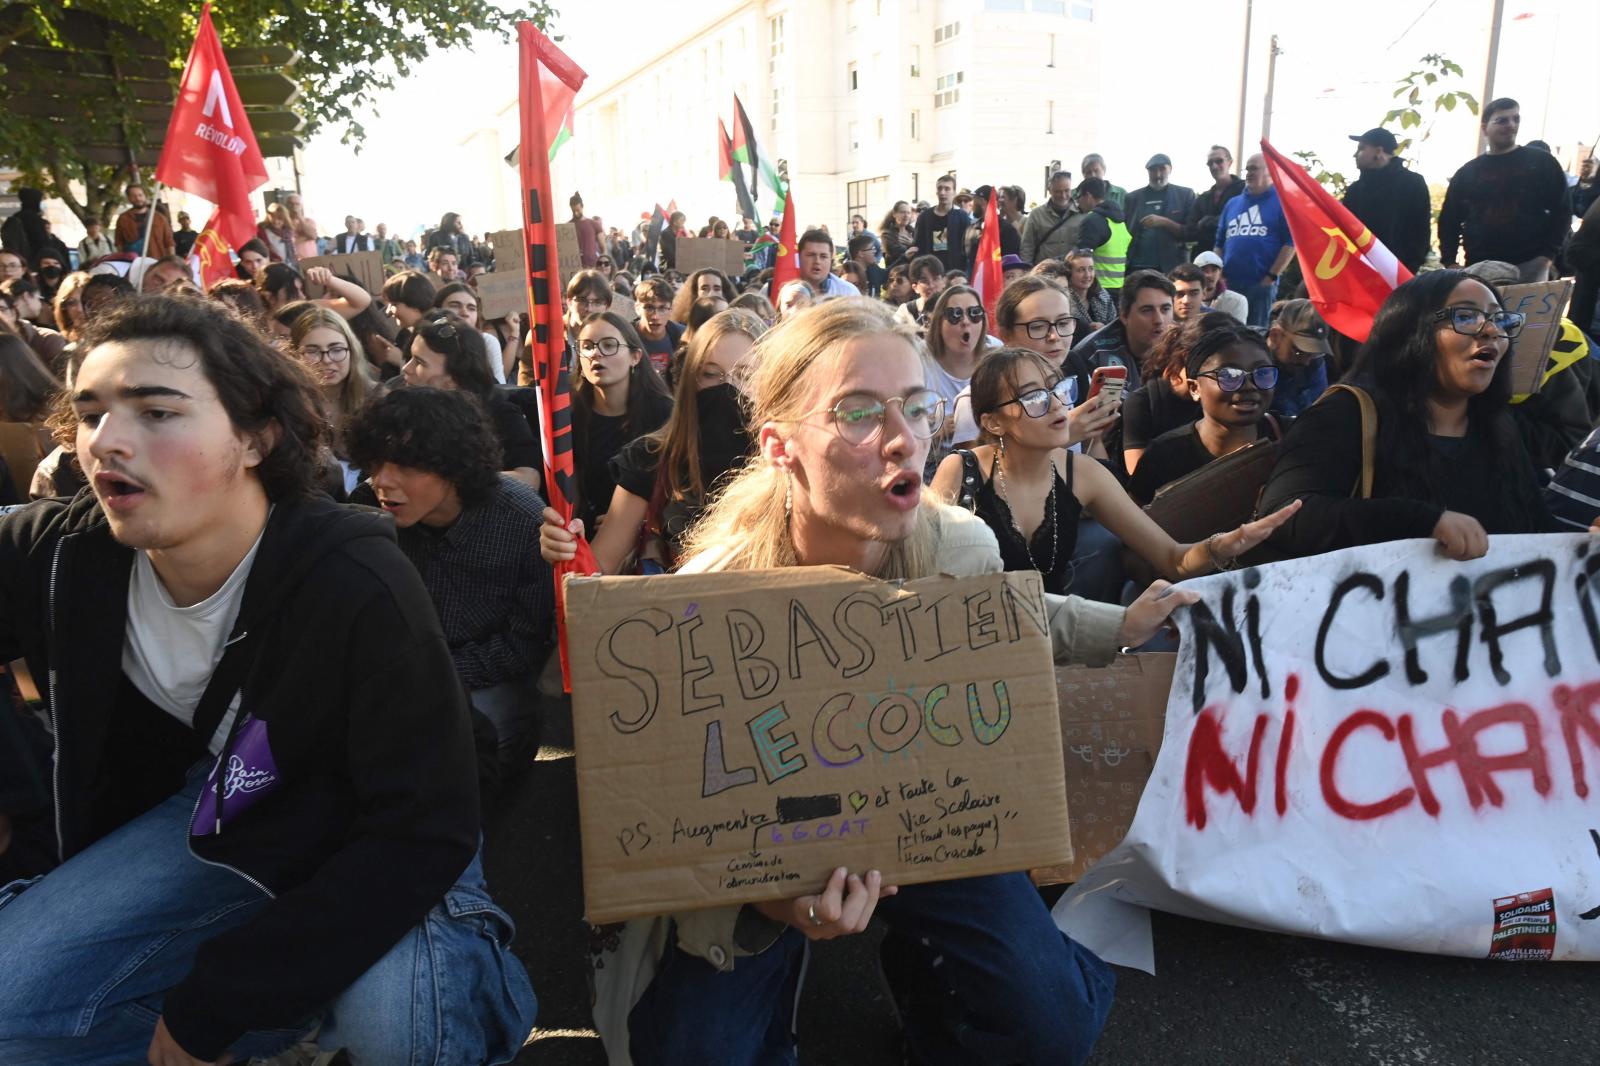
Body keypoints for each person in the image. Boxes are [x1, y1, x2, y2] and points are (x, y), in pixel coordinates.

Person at [575, 297, 1199, 1066]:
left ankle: (929, 990)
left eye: (915, 407)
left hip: (932, 814)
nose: (903, 439)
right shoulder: (714, 594)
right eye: (858, 412)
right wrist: (776, 901)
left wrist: (1120, 625)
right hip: (775, 844)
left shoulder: (961, 546)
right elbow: (682, 807)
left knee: (1052, 1026)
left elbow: (1009, 616)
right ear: (780, 447)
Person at [0, 295, 535, 1065]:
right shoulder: (60, 554)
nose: (108, 441)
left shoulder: (354, 574)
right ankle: (284, 1027)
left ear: (255, 437)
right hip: (221, 820)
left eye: (156, 412)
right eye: (90, 414)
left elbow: (426, 827)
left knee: (398, 1031)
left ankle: (473, 991)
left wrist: (215, 1008)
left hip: (377, 825)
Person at [934, 345, 1296, 589]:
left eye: (1058, 388)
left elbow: (1173, 558)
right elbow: (920, 573)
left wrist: (1221, 547)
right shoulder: (960, 472)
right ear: (993, 423)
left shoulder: (1084, 474)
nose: (1059, 405)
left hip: (1056, 639)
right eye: (1034, 398)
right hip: (974, 647)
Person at [1258, 269, 1554, 562]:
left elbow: (1535, 527)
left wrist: (1582, 543)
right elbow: (1282, 518)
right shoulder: (1347, 414)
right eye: (1465, 316)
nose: (1491, 330)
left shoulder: (1499, 426)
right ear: (1411, 331)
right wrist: (1424, 522)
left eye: (1499, 319)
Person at [346, 387, 553, 770]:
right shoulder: (363, 509)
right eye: (376, 463)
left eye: (407, 466)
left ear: (454, 465)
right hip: (389, 673)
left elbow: (524, 646)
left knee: (457, 744)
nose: (383, 481)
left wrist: (428, 675)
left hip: (487, 682)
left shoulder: (522, 519)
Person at [543, 308, 764, 575]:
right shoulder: (652, 457)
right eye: (710, 374)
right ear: (690, 382)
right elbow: (598, 569)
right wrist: (567, 550)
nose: (727, 388)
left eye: (743, 375)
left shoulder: (789, 461)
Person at [1127, 320, 1286, 505]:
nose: (1249, 386)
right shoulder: (1163, 457)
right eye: (1229, 376)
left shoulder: (1291, 438)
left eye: (1262, 373)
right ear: (1195, 388)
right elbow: (1134, 523)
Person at [1437, 98, 1571, 282]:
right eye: (1502, 120)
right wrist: (1450, 262)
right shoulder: (1467, 173)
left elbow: (1563, 210)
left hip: (1530, 264)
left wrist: (1547, 256)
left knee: (1526, 312)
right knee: (1484, 311)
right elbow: (1449, 220)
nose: (1510, 125)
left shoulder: (1543, 163)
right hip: (1480, 267)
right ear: (1484, 128)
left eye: (1515, 119)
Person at [403, 310, 541, 488]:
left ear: (452, 379)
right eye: (410, 358)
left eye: (419, 362)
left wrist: (453, 483)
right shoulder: (402, 412)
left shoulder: (499, 414)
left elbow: (529, 478)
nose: (406, 369)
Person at [567, 310, 675, 535]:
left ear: (635, 357)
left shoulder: (664, 412)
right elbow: (573, 492)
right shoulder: (570, 414)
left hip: (651, 536)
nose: (596, 353)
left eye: (609, 345)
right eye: (587, 346)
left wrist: (632, 520)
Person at [288, 306, 373, 492]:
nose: (326, 360)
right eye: (312, 351)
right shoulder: (287, 403)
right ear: (294, 355)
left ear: (352, 351)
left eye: (336, 349)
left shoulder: (376, 400)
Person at [1121, 311, 1217, 475]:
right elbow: (1139, 478)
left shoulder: (1223, 399)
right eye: (1216, 362)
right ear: (1188, 356)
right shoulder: (1142, 403)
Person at [1064, 269, 1175, 405]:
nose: (1159, 320)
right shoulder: (1092, 355)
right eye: (1147, 310)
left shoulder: (1181, 347)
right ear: (1123, 316)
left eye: (1165, 309)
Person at [1215, 153, 1294, 327]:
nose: (1249, 173)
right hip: (1229, 284)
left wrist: (1271, 277)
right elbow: (1219, 243)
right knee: (1225, 334)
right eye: (1247, 168)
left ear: (1270, 172)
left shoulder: (1282, 203)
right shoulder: (1232, 204)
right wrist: (1219, 275)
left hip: (1260, 285)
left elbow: (1290, 244)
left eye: (1254, 168)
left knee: (1255, 336)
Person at [1341, 127, 1432, 274]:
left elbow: (1421, 231)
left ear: (1378, 151)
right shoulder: (1355, 190)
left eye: (1361, 148)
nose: (1355, 154)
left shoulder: (1412, 183)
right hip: (1358, 273)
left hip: (1399, 275)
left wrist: (1408, 267)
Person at [921, 284, 994, 462]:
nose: (965, 321)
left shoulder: (996, 354)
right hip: (932, 462)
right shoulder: (918, 360)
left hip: (989, 457)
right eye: (955, 314)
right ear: (939, 322)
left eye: (974, 313)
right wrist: (933, 429)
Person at [1125, 154, 1196, 275]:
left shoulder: (1184, 195)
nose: (1158, 175)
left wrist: (1164, 222)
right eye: (1153, 170)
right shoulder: (1132, 198)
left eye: (1162, 169)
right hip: (1137, 266)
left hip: (1172, 268)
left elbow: (1191, 233)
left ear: (1170, 169)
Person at [1263, 299, 1331, 417]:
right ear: (1275, 335)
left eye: (1314, 353)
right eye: (1299, 351)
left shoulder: (1315, 363)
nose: (1306, 362)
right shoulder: (1249, 357)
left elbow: (1318, 412)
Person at [434, 281, 507, 384]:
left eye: (471, 308)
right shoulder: (427, 341)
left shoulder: (486, 342)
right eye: (455, 306)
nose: (464, 313)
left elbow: (500, 387)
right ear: (438, 310)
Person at [1074, 179, 1131, 304]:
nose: (1078, 203)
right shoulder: (1120, 221)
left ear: (1088, 196)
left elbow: (1080, 256)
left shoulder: (1092, 220)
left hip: (1097, 288)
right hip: (1119, 287)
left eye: (1078, 198)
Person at [1187, 145, 1246, 259]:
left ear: (1230, 162)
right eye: (1210, 163)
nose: (1214, 166)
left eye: (1219, 161)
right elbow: (1190, 229)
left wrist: (1208, 221)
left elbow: (1243, 218)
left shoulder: (1244, 190)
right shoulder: (1203, 198)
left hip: (1235, 255)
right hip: (1206, 259)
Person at [255, 263, 372, 320]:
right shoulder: (255, 327)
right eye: (294, 292)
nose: (302, 296)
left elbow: (362, 301)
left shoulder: (307, 311)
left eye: (301, 289)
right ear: (269, 297)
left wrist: (329, 279)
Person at [1021, 170, 1086, 266]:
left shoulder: (1083, 214)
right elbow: (1027, 247)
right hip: (1044, 275)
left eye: (1067, 190)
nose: (1063, 195)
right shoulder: (1036, 215)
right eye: (1058, 192)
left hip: (1073, 273)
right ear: (1049, 190)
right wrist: (1026, 271)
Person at [909, 175, 970, 274]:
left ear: (954, 192)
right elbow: (918, 245)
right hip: (931, 271)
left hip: (955, 271)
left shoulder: (962, 217)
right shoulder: (925, 217)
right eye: (940, 188)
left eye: (947, 189)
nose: (942, 193)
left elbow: (966, 247)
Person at [962, 185, 1022, 272]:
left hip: (997, 280)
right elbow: (965, 257)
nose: (972, 204)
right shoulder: (971, 229)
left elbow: (1011, 261)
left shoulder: (1007, 230)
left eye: (974, 200)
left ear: (982, 201)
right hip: (974, 281)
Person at [634, 277, 685, 376]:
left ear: (671, 309)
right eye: (649, 308)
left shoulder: (683, 336)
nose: (655, 316)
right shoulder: (625, 336)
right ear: (637, 308)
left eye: (662, 308)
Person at [113, 184, 174, 257]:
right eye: (133, 196)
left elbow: (169, 242)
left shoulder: (159, 218)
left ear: (145, 196)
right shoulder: (123, 219)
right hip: (133, 263)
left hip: (157, 262)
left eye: (140, 195)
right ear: (129, 198)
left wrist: (171, 260)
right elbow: (119, 243)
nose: (138, 199)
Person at [797, 229, 860, 298]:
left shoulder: (848, 292)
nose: (817, 261)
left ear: (830, 259)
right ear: (799, 257)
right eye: (811, 255)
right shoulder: (787, 290)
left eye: (823, 256)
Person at [1191, 250, 1249, 324]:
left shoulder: (1237, 301)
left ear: (1220, 272)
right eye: (1203, 270)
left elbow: (1238, 332)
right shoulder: (1187, 300)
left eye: (1214, 270)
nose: (1209, 275)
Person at [891, 254, 946, 327]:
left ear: (944, 282)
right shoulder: (907, 311)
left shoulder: (953, 307)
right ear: (915, 287)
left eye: (935, 279)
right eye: (924, 281)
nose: (931, 285)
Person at [282, 193, 319, 260]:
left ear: (301, 206)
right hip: (291, 260)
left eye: (297, 204)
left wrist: (300, 218)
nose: (294, 206)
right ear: (286, 206)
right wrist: (303, 238)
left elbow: (313, 236)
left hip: (309, 259)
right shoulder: (283, 222)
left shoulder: (309, 221)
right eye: (291, 204)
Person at [570, 193, 603, 268]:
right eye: (573, 211)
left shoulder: (594, 224)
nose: (576, 213)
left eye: (578, 210)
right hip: (575, 266)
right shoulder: (567, 227)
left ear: (582, 207)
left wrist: (601, 265)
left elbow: (603, 248)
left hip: (593, 265)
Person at [879, 201, 915, 267]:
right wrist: (913, 245)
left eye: (908, 213)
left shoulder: (913, 231)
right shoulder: (887, 234)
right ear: (894, 214)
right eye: (902, 212)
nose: (906, 215)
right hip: (897, 273)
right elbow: (896, 252)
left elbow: (922, 250)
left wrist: (912, 243)